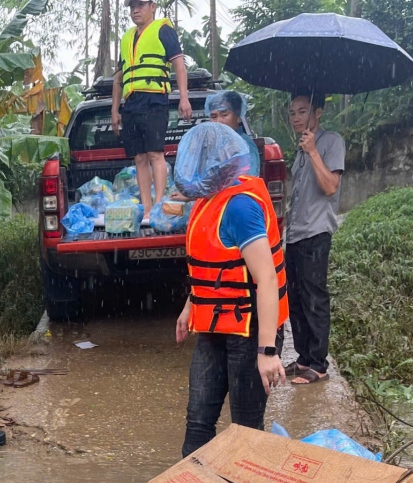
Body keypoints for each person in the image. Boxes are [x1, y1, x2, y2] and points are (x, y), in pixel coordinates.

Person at [173, 122, 288, 456]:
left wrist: (267, 351)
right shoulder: (206, 201)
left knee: (246, 430)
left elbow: (265, 278)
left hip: (250, 328)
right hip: (215, 324)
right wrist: (190, 304)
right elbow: (211, 265)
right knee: (197, 423)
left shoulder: (240, 207)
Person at [111, 0, 192, 224]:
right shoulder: (126, 37)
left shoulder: (163, 29)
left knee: (155, 153)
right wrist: (115, 109)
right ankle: (147, 208)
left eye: (141, 5)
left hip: (154, 99)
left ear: (153, 6)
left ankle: (158, 204)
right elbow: (119, 78)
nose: (135, 10)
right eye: (131, 6)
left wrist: (183, 97)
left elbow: (178, 65)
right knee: (139, 157)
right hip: (131, 103)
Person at [284, 90, 344, 385]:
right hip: (295, 234)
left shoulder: (330, 142)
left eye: (302, 111)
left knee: (314, 297)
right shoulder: (300, 148)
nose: (296, 117)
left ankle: (318, 364)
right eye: (293, 112)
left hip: (316, 232)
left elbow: (331, 186)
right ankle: (304, 356)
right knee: (294, 298)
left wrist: (313, 152)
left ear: (318, 113)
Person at [204, 91, 261, 177]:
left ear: (238, 117)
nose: (218, 121)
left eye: (224, 115)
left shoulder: (244, 144)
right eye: (213, 117)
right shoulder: (210, 144)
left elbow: (247, 177)